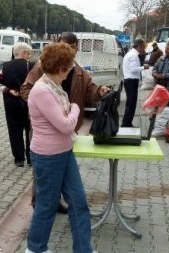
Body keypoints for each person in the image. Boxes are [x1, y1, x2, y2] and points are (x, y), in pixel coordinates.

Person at [21, 32, 109, 214]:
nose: (69, 51)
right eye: (65, 46)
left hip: (65, 132)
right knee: (43, 171)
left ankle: (56, 201)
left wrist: (99, 91)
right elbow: (25, 88)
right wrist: (43, 106)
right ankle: (40, 204)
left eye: (72, 47)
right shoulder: (42, 67)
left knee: (61, 169)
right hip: (44, 131)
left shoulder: (79, 72)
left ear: (77, 48)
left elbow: (90, 90)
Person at [25, 42, 96, 253]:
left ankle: (83, 249)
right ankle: (35, 249)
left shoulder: (54, 87)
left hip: (64, 153)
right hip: (48, 157)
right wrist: (75, 107)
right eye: (69, 66)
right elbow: (66, 125)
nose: (71, 71)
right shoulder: (41, 90)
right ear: (61, 67)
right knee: (46, 205)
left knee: (79, 202)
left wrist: (71, 109)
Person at [0, 42, 33, 167]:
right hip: (29, 103)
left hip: (11, 103)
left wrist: (8, 90)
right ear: (24, 53)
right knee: (30, 130)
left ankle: (19, 159)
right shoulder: (31, 65)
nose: (29, 56)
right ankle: (31, 158)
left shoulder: (5, 66)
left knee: (14, 130)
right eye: (29, 53)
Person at [121, 39, 149, 128]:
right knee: (131, 104)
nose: (143, 50)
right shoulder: (134, 55)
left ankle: (127, 123)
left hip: (129, 80)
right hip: (131, 81)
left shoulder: (130, 54)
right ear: (139, 46)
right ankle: (126, 124)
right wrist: (143, 67)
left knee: (130, 103)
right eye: (143, 47)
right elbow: (133, 69)